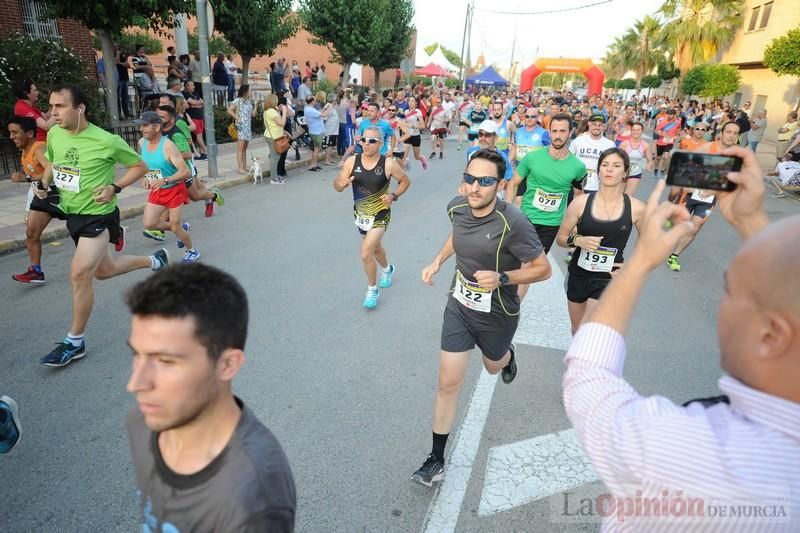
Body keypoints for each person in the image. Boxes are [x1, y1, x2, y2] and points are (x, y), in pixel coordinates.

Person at [564, 145, 800, 532]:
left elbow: (588, 378)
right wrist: (750, 220)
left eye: (730, 290)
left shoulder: (694, 451)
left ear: (772, 334)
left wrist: (638, 263)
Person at [411, 149, 552, 487]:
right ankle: (436, 459)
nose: (474, 187)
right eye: (470, 179)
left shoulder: (514, 223)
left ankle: (507, 356)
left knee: (492, 366)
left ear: (500, 185)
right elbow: (457, 236)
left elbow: (543, 269)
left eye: (485, 181)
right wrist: (437, 261)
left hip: (497, 312)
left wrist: (503, 279)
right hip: (459, 305)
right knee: (448, 382)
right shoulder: (457, 207)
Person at [126, 263, 296, 531]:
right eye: (137, 354)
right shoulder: (143, 421)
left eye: (166, 361)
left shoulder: (252, 497)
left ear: (227, 365)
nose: (135, 384)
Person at [37, 84, 170, 368]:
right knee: (104, 271)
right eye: (51, 106)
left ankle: (75, 342)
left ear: (80, 108)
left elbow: (139, 167)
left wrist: (114, 187)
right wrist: (43, 182)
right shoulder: (55, 134)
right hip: (73, 214)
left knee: (79, 274)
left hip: (98, 214)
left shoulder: (106, 140)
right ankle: (154, 260)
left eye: (60, 106)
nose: (53, 112)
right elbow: (53, 162)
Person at [556, 148, 645, 333]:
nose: (609, 170)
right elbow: (561, 238)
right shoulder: (580, 203)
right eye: (605, 165)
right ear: (598, 171)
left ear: (625, 173)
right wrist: (579, 241)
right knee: (577, 329)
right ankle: (579, 361)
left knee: (590, 328)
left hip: (609, 277)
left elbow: (648, 243)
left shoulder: (636, 208)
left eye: (616, 166)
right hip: (578, 274)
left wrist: (631, 267)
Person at [333, 125, 410, 309]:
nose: (366, 144)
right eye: (363, 140)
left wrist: (393, 196)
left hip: (380, 213)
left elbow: (405, 181)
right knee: (376, 249)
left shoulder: (388, 164)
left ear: (381, 144)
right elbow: (336, 184)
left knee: (365, 251)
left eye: (372, 141)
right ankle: (387, 269)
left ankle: (372, 289)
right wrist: (340, 184)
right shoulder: (352, 161)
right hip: (361, 214)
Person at [509, 112, 586, 262]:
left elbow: (578, 196)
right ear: (549, 133)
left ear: (570, 133)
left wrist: (577, 224)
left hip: (551, 224)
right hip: (527, 218)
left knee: (532, 266)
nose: (558, 135)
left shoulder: (578, 167)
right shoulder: (532, 157)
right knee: (518, 263)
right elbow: (513, 183)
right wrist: (508, 210)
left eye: (562, 131)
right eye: (554, 131)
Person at [666, 121, 741, 273]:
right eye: (728, 132)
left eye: (735, 133)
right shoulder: (707, 148)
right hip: (690, 192)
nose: (731, 135)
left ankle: (674, 256)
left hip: (709, 197)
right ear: (721, 133)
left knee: (694, 228)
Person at [8, 116, 66, 284]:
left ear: (30, 133)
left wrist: (25, 177)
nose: (11, 137)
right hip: (41, 196)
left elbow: (52, 168)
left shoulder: (39, 148)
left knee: (83, 226)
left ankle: (113, 228)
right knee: (31, 233)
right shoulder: (25, 152)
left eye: (15, 132)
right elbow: (35, 178)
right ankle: (36, 271)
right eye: (10, 133)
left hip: (58, 194)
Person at [137, 111, 198, 263]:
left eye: (145, 126)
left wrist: (165, 180)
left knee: (176, 228)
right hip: (157, 189)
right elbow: (149, 164)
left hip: (174, 189)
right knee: (149, 224)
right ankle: (180, 227)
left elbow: (185, 171)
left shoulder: (168, 146)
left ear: (157, 127)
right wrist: (146, 177)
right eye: (141, 126)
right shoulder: (141, 143)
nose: (141, 129)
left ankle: (191, 251)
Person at [568, 113, 615, 193]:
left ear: (604, 127)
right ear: (589, 124)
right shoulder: (579, 140)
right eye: (594, 124)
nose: (596, 127)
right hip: (577, 184)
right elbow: (568, 158)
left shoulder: (610, 145)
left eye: (600, 125)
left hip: (597, 186)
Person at [227, 84, 257, 174]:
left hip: (247, 127)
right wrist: (237, 117)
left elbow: (253, 115)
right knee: (240, 148)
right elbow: (229, 110)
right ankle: (240, 168)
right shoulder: (238, 100)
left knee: (244, 147)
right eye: (250, 90)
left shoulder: (249, 102)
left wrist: (255, 105)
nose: (251, 92)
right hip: (241, 126)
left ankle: (244, 166)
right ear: (246, 91)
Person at [618, 122, 654, 196]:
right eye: (634, 130)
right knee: (619, 195)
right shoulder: (624, 144)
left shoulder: (645, 145)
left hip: (635, 173)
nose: (635, 132)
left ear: (642, 131)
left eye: (638, 130)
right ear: (631, 131)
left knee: (628, 197)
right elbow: (617, 158)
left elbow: (650, 160)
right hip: (623, 173)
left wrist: (649, 165)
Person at [263, 94, 288, 184]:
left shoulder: (268, 111)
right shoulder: (272, 112)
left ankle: (275, 176)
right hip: (273, 137)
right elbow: (281, 123)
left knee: (275, 157)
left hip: (272, 136)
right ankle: (274, 178)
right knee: (274, 158)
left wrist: (279, 110)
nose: (277, 102)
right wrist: (284, 111)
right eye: (276, 100)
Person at [401, 96, 429, 170]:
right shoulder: (406, 111)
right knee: (403, 156)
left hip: (415, 136)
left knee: (416, 157)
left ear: (416, 103)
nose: (410, 102)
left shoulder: (418, 112)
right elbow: (402, 122)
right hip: (407, 136)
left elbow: (423, 126)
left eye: (412, 101)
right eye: (409, 101)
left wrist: (412, 126)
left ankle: (422, 158)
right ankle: (402, 178)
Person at [182, 81, 208, 160]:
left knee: (199, 136)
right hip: (194, 118)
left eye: (193, 85)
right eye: (191, 85)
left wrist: (196, 104)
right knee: (199, 136)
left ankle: (201, 152)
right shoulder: (185, 94)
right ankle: (206, 152)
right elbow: (191, 103)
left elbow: (202, 102)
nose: (194, 87)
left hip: (200, 117)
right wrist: (196, 104)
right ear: (187, 86)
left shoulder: (195, 93)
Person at [304, 94, 330, 172]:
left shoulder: (307, 108)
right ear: (312, 101)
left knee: (315, 149)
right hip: (317, 131)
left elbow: (318, 114)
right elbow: (324, 115)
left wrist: (324, 108)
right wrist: (329, 108)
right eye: (314, 100)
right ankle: (312, 165)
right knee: (316, 149)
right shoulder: (311, 110)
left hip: (313, 130)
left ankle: (314, 164)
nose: (315, 101)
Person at [654, 108, 681, 176]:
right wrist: (663, 134)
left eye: (671, 114)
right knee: (658, 157)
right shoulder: (662, 121)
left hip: (669, 142)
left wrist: (677, 136)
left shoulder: (677, 122)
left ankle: (663, 170)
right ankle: (656, 169)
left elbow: (678, 130)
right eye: (668, 114)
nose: (669, 116)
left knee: (666, 157)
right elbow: (656, 130)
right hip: (661, 142)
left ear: (674, 115)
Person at [322, 93, 340, 165]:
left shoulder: (333, 106)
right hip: (329, 130)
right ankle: (326, 160)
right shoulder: (328, 106)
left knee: (332, 145)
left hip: (334, 130)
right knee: (329, 145)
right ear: (333, 100)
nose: (336, 101)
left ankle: (329, 158)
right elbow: (324, 118)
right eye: (336, 99)